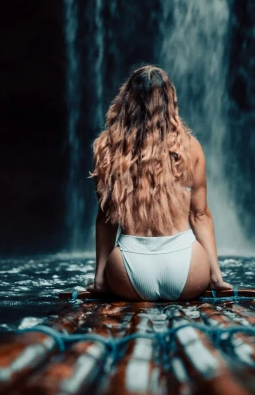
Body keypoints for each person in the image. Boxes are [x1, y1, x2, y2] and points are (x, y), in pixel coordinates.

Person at [87, 64, 231, 301]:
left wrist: (100, 278)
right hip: (186, 269)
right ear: (170, 102)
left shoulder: (107, 148)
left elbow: (106, 219)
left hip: (127, 271)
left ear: (127, 100)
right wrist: (216, 277)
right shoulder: (188, 147)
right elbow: (200, 215)